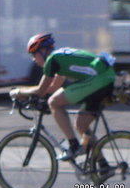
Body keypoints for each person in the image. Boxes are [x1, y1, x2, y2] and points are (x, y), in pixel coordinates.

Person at [10, 33, 116, 164]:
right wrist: (31, 95)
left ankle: (73, 146)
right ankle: (103, 164)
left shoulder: (52, 60)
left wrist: (19, 92)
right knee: (81, 125)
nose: (33, 59)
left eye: (33, 54)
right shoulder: (60, 57)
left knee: (53, 102)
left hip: (99, 80)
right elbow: (53, 87)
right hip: (106, 78)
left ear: (43, 51)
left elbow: (41, 90)